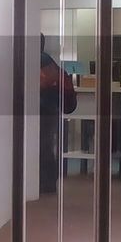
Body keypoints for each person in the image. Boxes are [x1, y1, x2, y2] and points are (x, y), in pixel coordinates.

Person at [39, 33, 76, 195]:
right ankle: (47, 182)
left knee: (43, 145)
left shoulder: (41, 60)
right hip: (51, 108)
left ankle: (46, 183)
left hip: (44, 109)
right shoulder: (46, 59)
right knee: (45, 145)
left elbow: (40, 84)